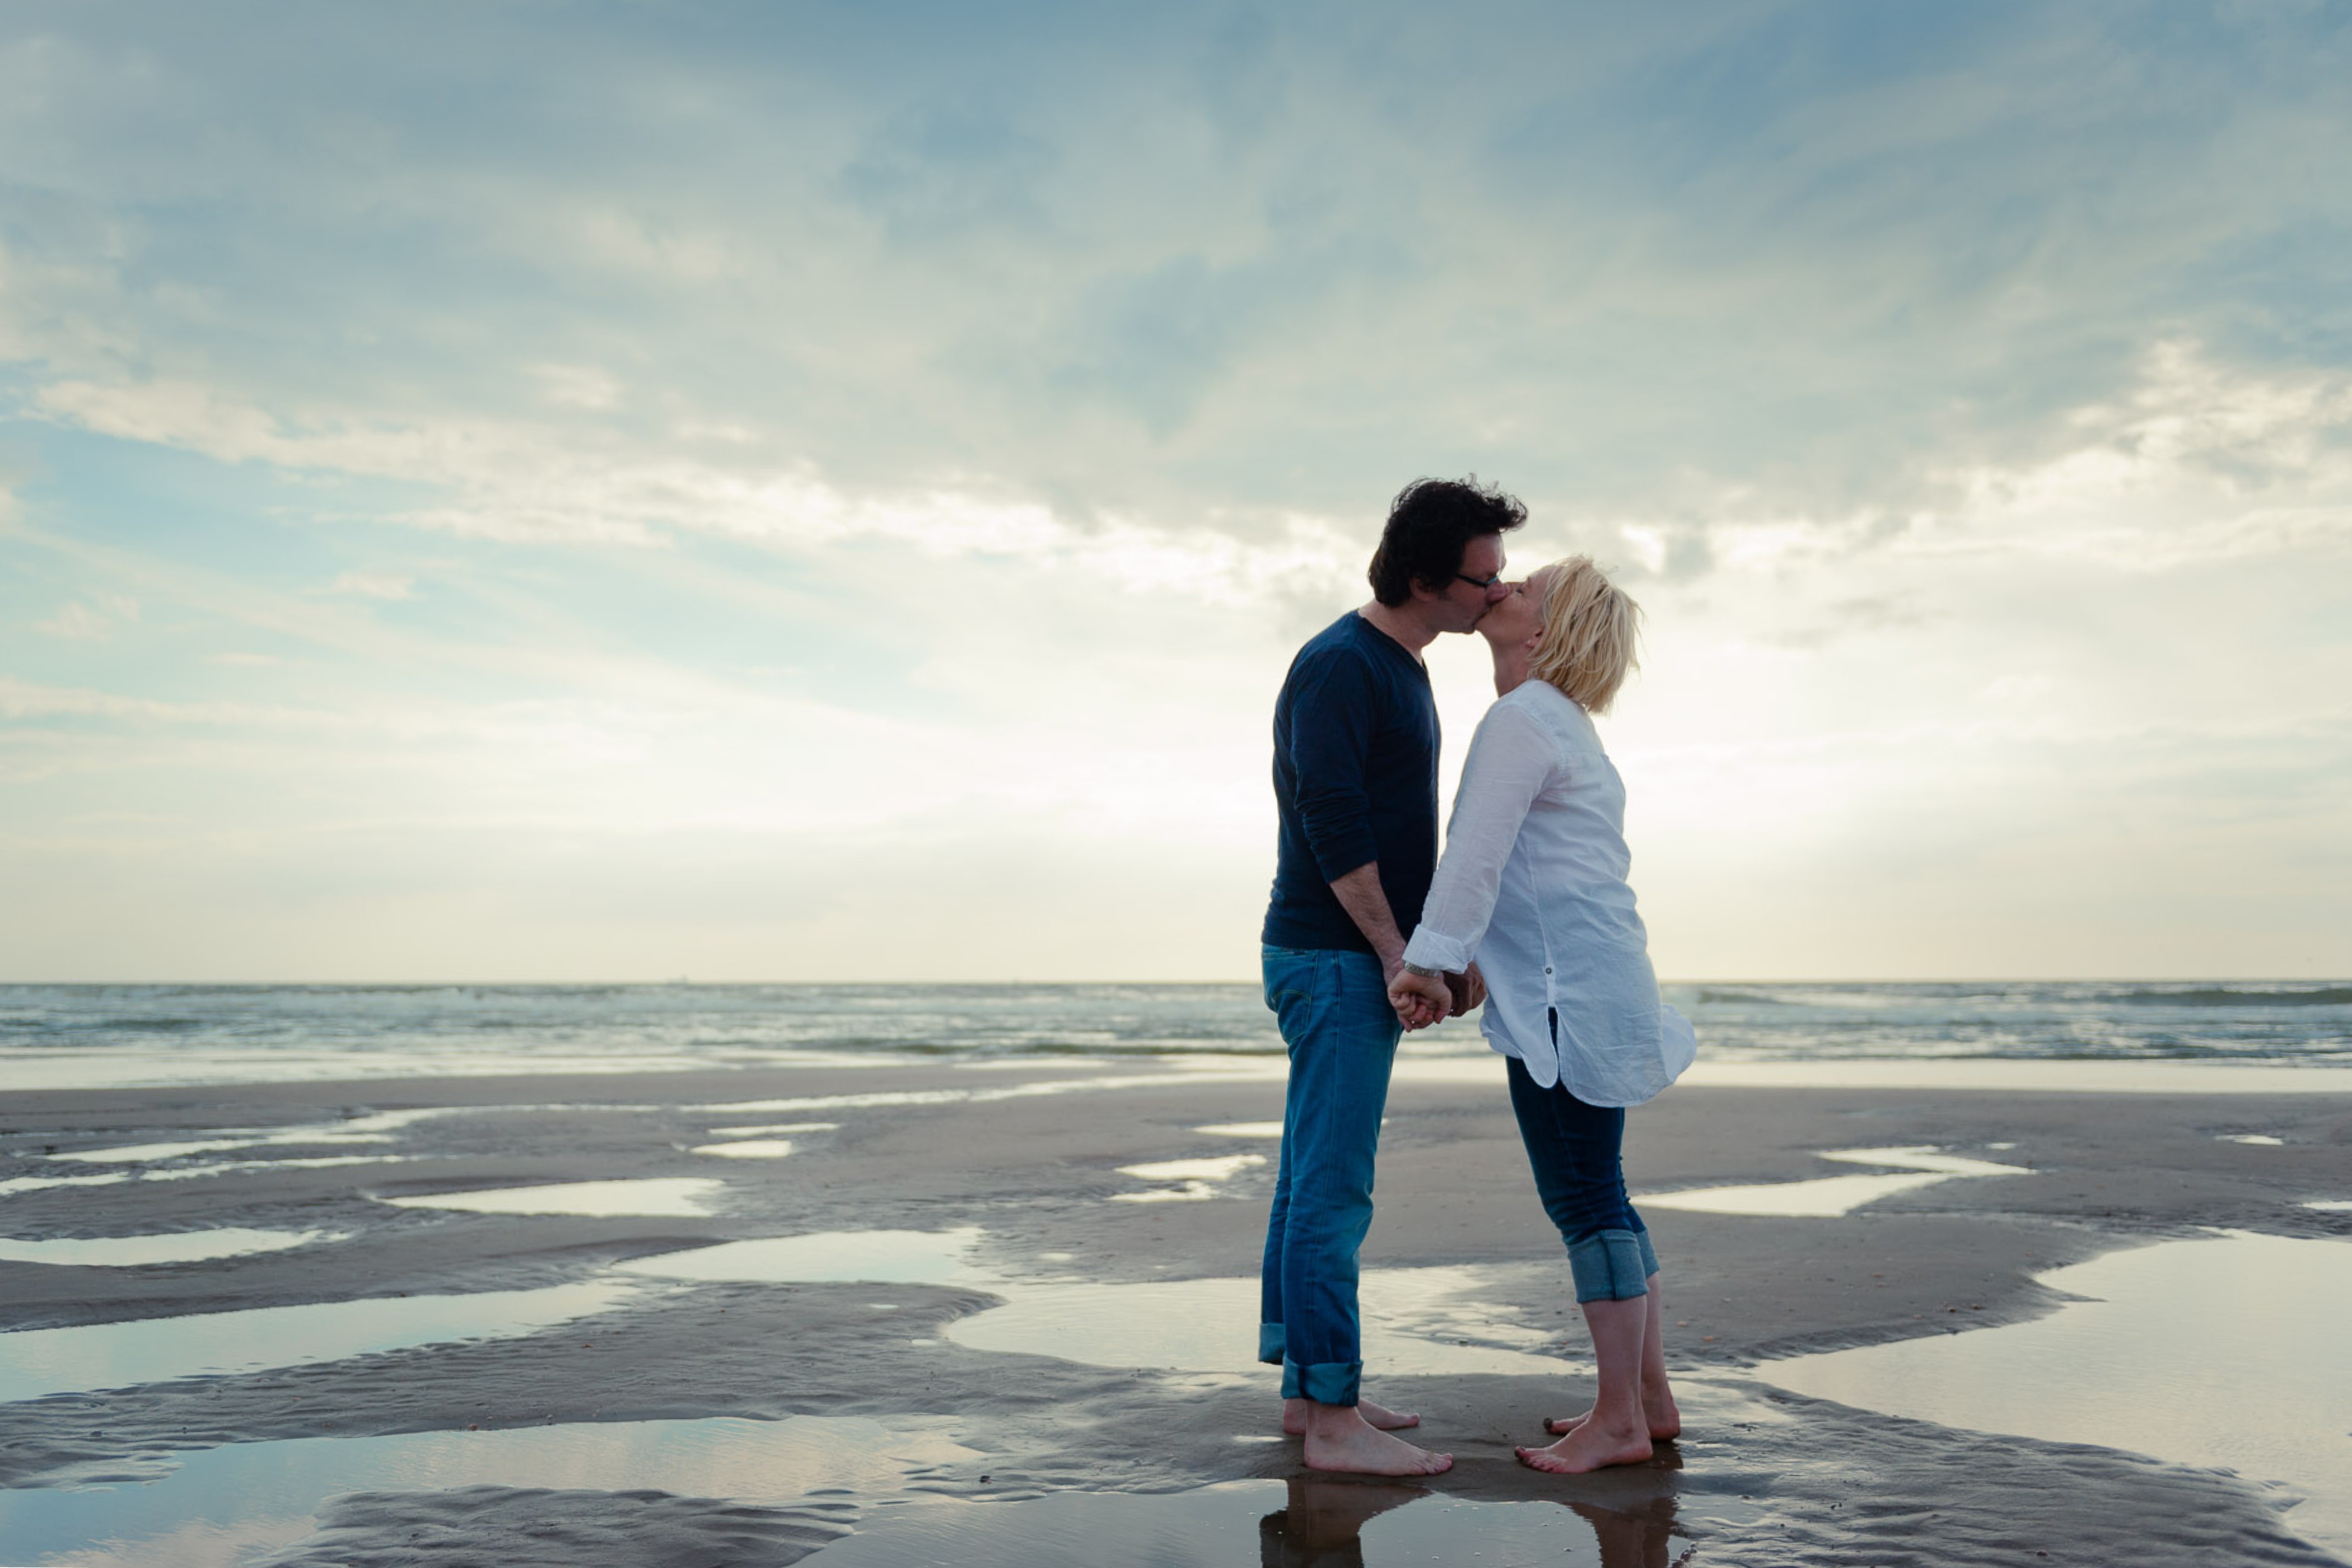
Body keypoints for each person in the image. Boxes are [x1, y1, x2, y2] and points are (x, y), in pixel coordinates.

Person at [1387, 557, 1696, 1474]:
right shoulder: (1563, 725)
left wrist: (1429, 965)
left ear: (1545, 632)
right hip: (1597, 988)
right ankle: (1647, 1399)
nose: (1505, 584)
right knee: (1606, 1191)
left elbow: (1475, 858)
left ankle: (1620, 1422)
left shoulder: (1523, 721)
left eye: (1529, 586)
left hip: (1569, 998)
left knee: (1585, 1198)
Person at [1258, 476, 1524, 1477]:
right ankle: (1332, 1423)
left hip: (1337, 955)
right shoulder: (1340, 666)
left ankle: (1311, 1393)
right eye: (1483, 579)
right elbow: (1330, 821)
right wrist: (1398, 956)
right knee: (1333, 1189)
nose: (1497, 595)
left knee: (1308, 1183)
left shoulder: (1405, 664)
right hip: (1330, 958)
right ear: (1425, 577)